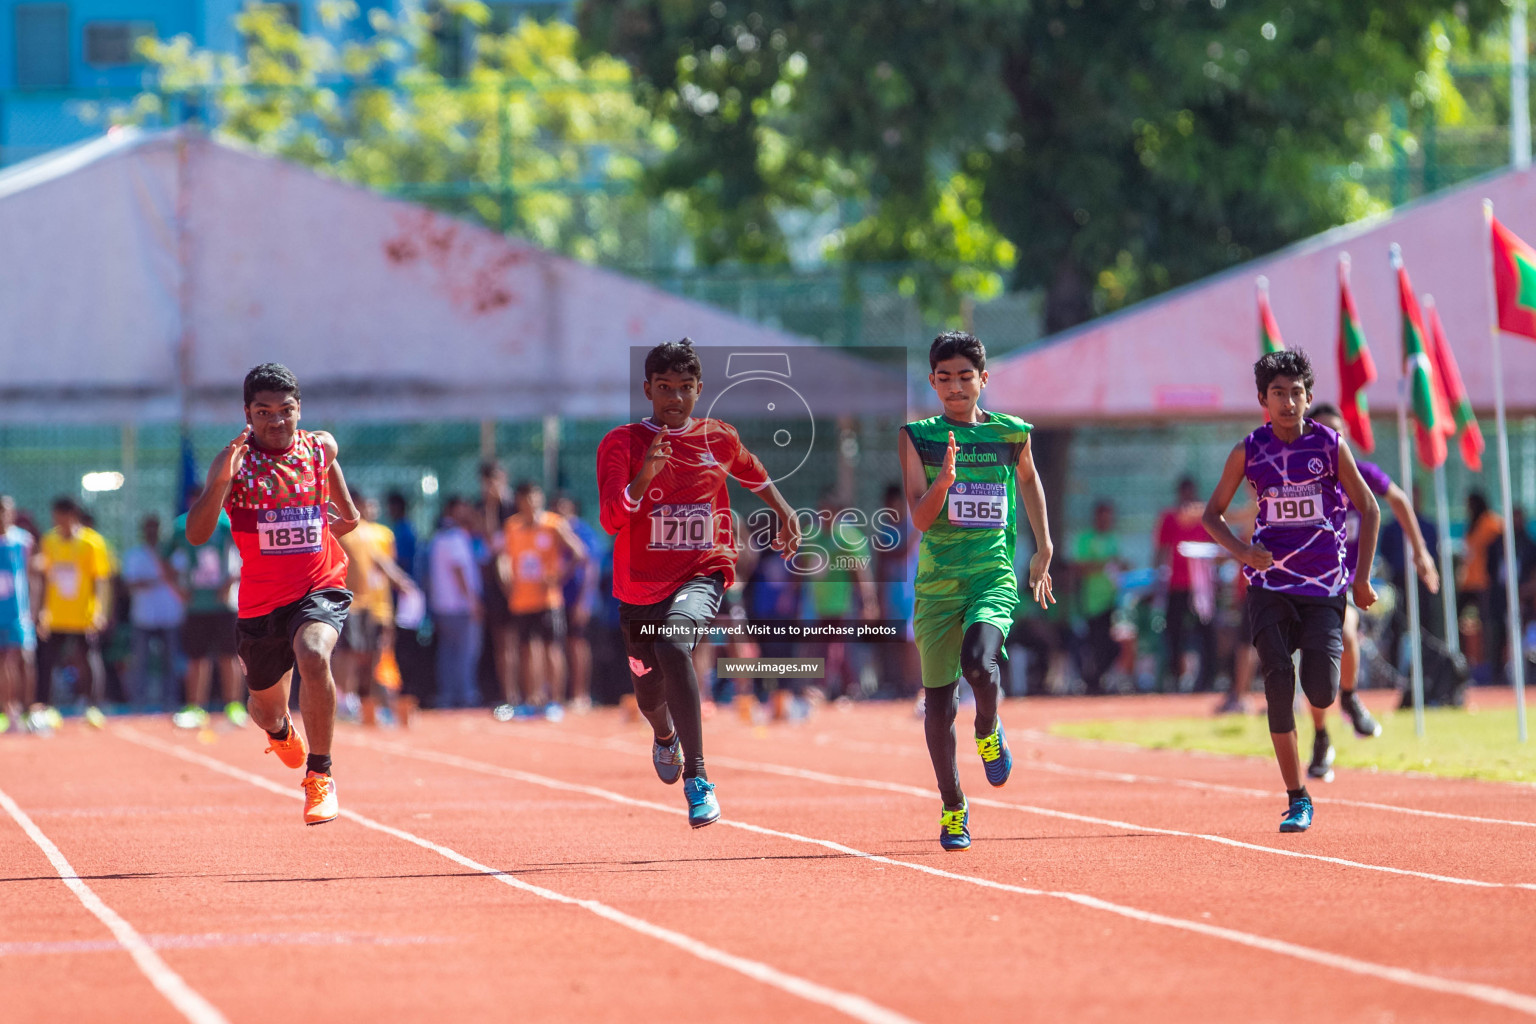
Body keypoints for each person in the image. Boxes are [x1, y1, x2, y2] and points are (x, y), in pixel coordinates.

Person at [597, 337, 801, 828]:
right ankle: (664, 734)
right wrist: (643, 478)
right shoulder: (621, 444)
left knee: (674, 643)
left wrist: (785, 511)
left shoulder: (719, 437)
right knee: (649, 693)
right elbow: (610, 519)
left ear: (700, 389)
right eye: (664, 388)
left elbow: (753, 474)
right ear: (647, 389)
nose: (675, 399)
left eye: (685, 388)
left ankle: (698, 777)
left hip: (703, 570)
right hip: (639, 587)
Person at [1201, 349, 1379, 833]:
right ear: (1263, 399)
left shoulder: (1328, 445)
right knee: (1279, 682)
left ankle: (1336, 712)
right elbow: (1211, 515)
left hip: (1323, 587)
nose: (1288, 401)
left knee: (1319, 688)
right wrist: (1243, 551)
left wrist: (1360, 579)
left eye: (1296, 392)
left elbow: (1370, 507)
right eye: (1278, 393)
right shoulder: (1249, 450)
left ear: (1309, 396)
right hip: (1269, 585)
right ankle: (1297, 797)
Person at [898, 331, 1055, 852]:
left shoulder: (1012, 434)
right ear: (933, 382)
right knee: (939, 708)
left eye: (966, 377)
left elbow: (1029, 480)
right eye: (945, 378)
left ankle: (988, 728)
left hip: (993, 576)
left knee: (981, 665)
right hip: (938, 587)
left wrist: (1043, 546)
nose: (956, 386)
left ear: (983, 380)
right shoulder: (918, 436)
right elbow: (920, 518)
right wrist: (943, 483)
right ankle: (953, 806)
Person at [185, 362, 359, 826]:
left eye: (286, 410)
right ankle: (281, 730)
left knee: (313, 651)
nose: (276, 421)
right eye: (264, 412)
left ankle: (319, 774)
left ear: (299, 409)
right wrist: (220, 480)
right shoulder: (236, 465)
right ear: (247, 413)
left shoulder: (319, 449)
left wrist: (323, 527)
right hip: (261, 605)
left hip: (318, 587)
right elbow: (198, 534)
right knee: (265, 710)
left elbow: (351, 515)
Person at [1302, 404, 1440, 779]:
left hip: (1339, 585)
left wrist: (1421, 552)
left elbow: (1397, 500)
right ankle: (1320, 736)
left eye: (1337, 434)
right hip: (1298, 585)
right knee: (1315, 665)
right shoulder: (1300, 480)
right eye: (1322, 434)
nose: (1331, 442)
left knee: (1345, 635)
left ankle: (1348, 698)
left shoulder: (1361, 476)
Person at [498, 481, 585, 717]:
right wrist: (505, 575)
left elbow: (579, 552)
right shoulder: (512, 526)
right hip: (522, 600)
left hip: (548, 600)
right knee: (527, 650)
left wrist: (558, 577)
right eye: (525, 498)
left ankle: (554, 701)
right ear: (519, 501)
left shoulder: (553, 524)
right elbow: (504, 557)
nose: (530, 503)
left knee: (551, 650)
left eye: (534, 497)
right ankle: (532, 699)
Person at [166, 485, 246, 728]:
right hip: (196, 604)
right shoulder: (182, 526)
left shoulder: (226, 523)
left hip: (224, 603)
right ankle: (194, 707)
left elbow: (247, 553)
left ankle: (234, 705)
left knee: (229, 655)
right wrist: (177, 588)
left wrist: (231, 582)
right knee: (196, 657)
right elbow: (164, 556)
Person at [336, 493, 419, 726]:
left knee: (374, 656)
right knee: (349, 654)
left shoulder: (381, 533)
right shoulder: (346, 530)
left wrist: (402, 584)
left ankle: (372, 703)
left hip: (376, 606)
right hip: (350, 603)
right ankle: (344, 700)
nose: (371, 508)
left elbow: (382, 562)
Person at [37, 497, 112, 721]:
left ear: (73, 516)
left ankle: (92, 706)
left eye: (63, 516)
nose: (59, 521)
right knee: (48, 660)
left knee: (88, 659)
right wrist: (42, 610)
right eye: (55, 517)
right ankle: (47, 707)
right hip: (56, 614)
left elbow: (100, 579)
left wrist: (99, 610)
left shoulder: (92, 542)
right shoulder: (49, 540)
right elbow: (44, 578)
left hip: (83, 613)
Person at [1155, 477, 1219, 692]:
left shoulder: (1206, 517)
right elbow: (1161, 549)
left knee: (1206, 632)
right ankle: (1175, 675)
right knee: (1174, 632)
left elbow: (1215, 547)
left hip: (1201, 586)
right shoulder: (1170, 517)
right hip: (1177, 584)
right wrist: (1157, 576)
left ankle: (1208, 677)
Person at [120, 514, 185, 712]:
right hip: (144, 615)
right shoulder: (134, 554)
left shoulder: (172, 553)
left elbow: (178, 574)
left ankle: (171, 700)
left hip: (170, 614)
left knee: (171, 660)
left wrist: (161, 564)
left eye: (155, 528)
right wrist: (157, 579)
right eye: (148, 528)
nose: (152, 532)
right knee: (140, 661)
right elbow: (131, 583)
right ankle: (138, 701)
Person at [428, 497, 484, 709]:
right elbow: (459, 570)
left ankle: (448, 695)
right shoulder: (456, 537)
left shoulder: (439, 538)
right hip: (459, 606)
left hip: (442, 606)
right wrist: (473, 602)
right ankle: (465, 695)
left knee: (448, 653)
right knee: (465, 653)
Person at [553, 492, 602, 713]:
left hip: (577, 599)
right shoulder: (552, 531)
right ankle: (558, 696)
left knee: (577, 644)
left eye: (563, 506)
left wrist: (584, 601)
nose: (559, 511)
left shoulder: (583, 531)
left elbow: (591, 566)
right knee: (558, 646)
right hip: (555, 599)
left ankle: (580, 695)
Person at [1073, 500, 1122, 695]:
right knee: (1095, 644)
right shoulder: (1086, 539)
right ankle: (1092, 682)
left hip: (1111, 601)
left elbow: (1116, 565)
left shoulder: (1112, 539)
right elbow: (1079, 567)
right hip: (1092, 603)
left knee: (1111, 646)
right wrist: (1104, 565)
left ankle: (1095, 679)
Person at [0, 496, 38, 732]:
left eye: (5, 511)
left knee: (25, 659)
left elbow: (34, 576)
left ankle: (28, 711)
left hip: (19, 613)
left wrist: (35, 609)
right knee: (4, 661)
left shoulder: (23, 541)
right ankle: (8, 711)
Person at [1460, 491, 1506, 680]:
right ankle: (1464, 663)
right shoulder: (1472, 525)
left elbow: (1499, 549)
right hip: (1468, 583)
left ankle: (1491, 668)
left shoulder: (1490, 522)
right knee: (1464, 623)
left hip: (1485, 584)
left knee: (1488, 625)